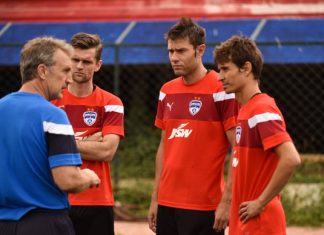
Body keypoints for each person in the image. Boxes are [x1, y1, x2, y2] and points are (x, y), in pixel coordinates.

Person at [0, 37, 100, 235]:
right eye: (64, 70)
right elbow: (68, 180)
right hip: (45, 221)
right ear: (42, 71)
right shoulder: (53, 114)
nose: (69, 79)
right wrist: (87, 177)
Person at [148, 17, 239, 235]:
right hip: (167, 203)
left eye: (181, 51)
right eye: (170, 51)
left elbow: (238, 148)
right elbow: (164, 146)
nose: (174, 58)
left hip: (205, 205)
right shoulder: (166, 90)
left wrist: (227, 201)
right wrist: (155, 198)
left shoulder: (222, 90)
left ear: (200, 50)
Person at [213, 35, 301, 235]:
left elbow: (291, 159)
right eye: (219, 69)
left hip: (260, 223)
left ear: (246, 68)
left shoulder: (262, 109)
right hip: (245, 223)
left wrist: (260, 203)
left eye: (225, 69)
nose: (220, 77)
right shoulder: (244, 110)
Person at [52, 32, 124, 235]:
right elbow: (40, 146)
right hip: (56, 199)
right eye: (75, 60)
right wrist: (88, 141)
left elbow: (106, 152)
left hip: (97, 199)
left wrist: (60, 142)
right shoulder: (51, 101)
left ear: (98, 65)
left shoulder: (112, 103)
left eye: (86, 61)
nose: (79, 66)